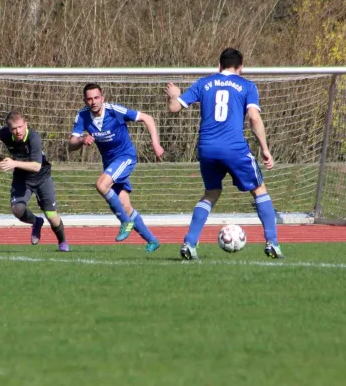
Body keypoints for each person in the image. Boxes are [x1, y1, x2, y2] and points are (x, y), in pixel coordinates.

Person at [165, 48, 285, 260]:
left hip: (207, 148)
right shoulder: (247, 85)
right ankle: (272, 243)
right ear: (241, 67)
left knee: (211, 192)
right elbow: (254, 118)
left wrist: (174, 95)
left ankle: (189, 243)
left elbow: (174, 108)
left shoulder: (204, 83)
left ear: (219, 66)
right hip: (234, 148)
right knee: (259, 190)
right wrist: (265, 149)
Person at [68, 83, 164, 252]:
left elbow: (147, 118)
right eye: (89, 99)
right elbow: (71, 144)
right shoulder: (82, 115)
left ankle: (125, 223)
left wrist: (155, 144)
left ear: (102, 98)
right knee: (125, 205)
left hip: (125, 157)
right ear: (85, 100)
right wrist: (82, 140)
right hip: (110, 163)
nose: (93, 102)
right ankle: (152, 240)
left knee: (101, 185)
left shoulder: (114, 111)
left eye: (96, 98)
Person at [0, 110, 70, 252]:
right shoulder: (4, 135)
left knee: (51, 216)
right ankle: (36, 222)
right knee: (17, 209)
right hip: (22, 177)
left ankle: (62, 242)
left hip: (42, 177)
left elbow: (36, 166)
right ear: (9, 129)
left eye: (20, 127)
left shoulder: (34, 138)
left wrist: (14, 163)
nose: (18, 131)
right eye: (14, 128)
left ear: (26, 124)